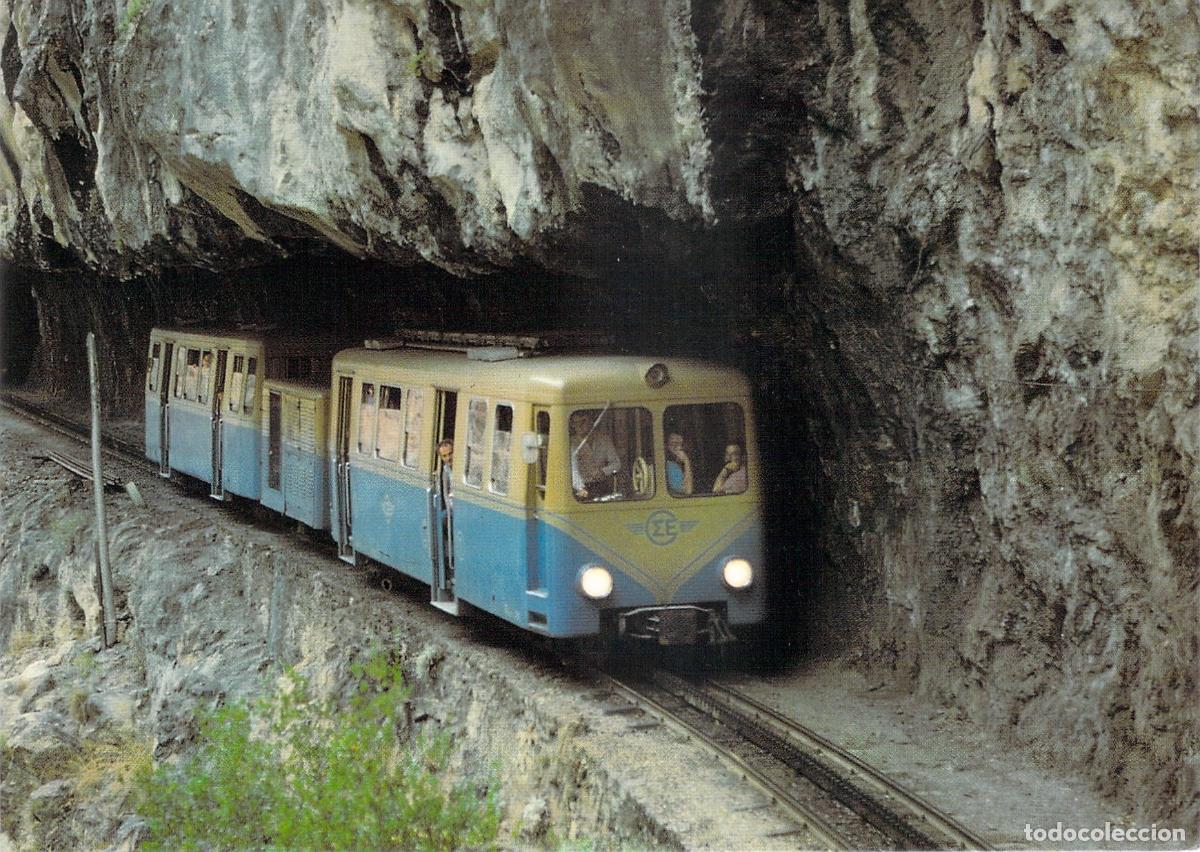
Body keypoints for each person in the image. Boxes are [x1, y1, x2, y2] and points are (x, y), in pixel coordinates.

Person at [569, 411, 620, 500]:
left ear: (591, 422)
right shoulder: (571, 443)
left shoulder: (604, 440)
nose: (579, 426)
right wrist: (580, 488)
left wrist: (603, 471)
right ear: (572, 425)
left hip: (602, 486)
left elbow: (616, 463)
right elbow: (573, 469)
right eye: (575, 423)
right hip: (580, 489)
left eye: (583, 422)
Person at [437, 439, 454, 512]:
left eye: (450, 454)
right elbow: (445, 492)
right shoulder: (446, 469)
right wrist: (449, 509)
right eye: (444, 456)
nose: (448, 458)